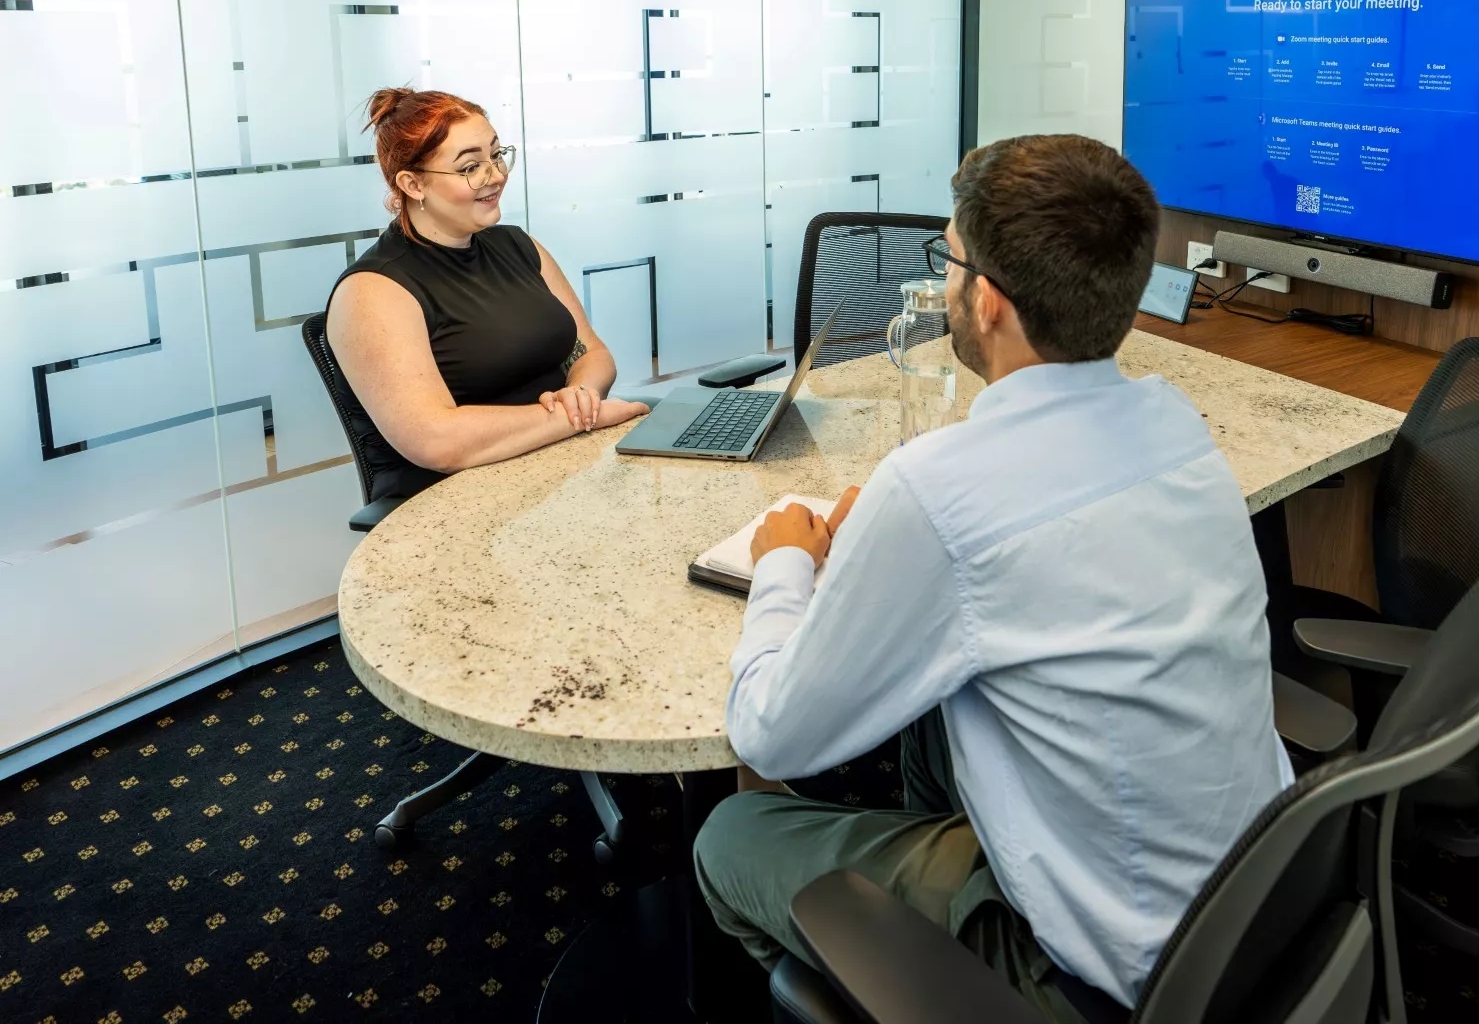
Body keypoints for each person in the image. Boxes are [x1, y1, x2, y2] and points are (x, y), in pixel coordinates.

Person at [694, 134, 1291, 1019]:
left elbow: (769, 732)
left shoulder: (938, 488)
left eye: (950, 262)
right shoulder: (1175, 421)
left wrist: (786, 558)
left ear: (990, 302)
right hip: (1258, 896)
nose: (944, 284)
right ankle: (930, 871)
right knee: (935, 703)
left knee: (729, 835)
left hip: (1109, 974)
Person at [327, 87, 648, 501]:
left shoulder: (518, 246)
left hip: (557, 471)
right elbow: (436, 442)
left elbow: (591, 352)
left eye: (496, 155)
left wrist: (582, 397)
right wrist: (574, 419)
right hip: (451, 503)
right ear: (413, 184)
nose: (495, 176)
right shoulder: (373, 291)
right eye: (470, 167)